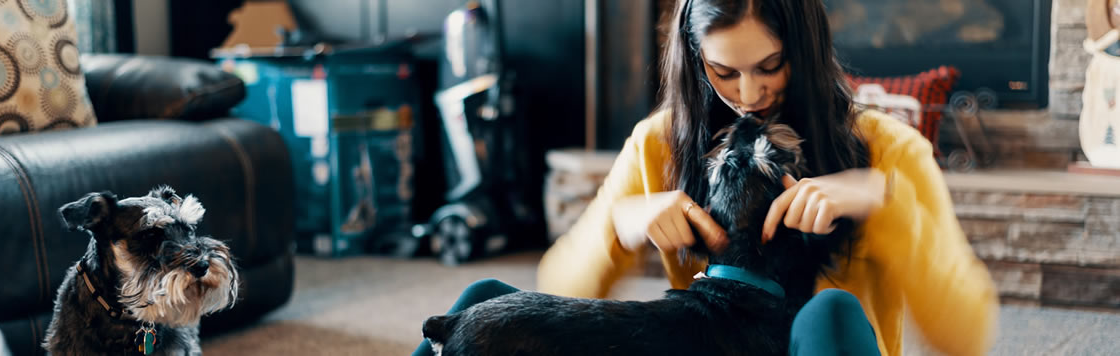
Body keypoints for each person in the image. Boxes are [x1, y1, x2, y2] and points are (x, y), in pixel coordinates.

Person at [414, 0, 999, 355]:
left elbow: (965, 335)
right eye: (725, 71)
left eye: (771, 66)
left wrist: (880, 200)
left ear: (807, 48)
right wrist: (621, 221)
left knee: (829, 310)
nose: (750, 96)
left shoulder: (887, 148)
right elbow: (565, 294)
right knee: (484, 307)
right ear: (695, 61)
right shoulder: (659, 142)